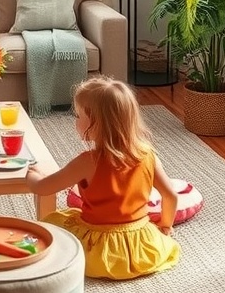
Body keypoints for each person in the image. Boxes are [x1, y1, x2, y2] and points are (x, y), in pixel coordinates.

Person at [26, 75, 181, 280]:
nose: (76, 121)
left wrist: (31, 174)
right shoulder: (147, 154)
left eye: (78, 116)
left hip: (98, 247)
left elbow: (44, 188)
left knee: (50, 225)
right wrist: (165, 227)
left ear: (95, 123)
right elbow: (170, 195)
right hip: (140, 243)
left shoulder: (87, 161)